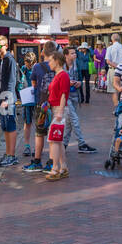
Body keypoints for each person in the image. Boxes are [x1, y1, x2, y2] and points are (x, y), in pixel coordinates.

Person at [24, 43, 58, 173]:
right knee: (52, 134)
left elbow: (34, 84)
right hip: (54, 104)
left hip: (41, 104)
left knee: (39, 134)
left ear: (43, 52)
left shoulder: (37, 67)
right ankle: (51, 162)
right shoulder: (57, 66)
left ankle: (37, 161)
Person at [0, 36, 20, 166]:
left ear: (6, 46)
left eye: (0, 46)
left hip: (7, 97)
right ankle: (8, 154)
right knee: (5, 127)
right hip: (0, 97)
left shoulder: (10, 60)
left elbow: (11, 81)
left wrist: (7, 99)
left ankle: (11, 155)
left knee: (10, 126)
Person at [63, 47, 98, 153]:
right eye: (72, 53)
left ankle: (63, 144)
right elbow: (58, 81)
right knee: (74, 120)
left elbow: (80, 78)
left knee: (69, 122)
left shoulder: (76, 64)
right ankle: (81, 144)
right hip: (65, 97)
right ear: (66, 55)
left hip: (75, 95)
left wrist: (79, 83)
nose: (75, 55)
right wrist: (67, 83)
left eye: (75, 53)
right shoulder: (61, 66)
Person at [44, 49, 71, 181]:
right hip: (55, 109)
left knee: (53, 139)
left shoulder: (63, 75)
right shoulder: (58, 75)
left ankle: (55, 168)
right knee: (57, 140)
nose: (48, 63)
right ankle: (63, 167)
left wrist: (60, 112)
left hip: (59, 110)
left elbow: (64, 94)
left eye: (50, 61)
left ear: (57, 61)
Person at [103, 33, 122, 105]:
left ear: (112, 40)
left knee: (114, 90)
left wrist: (117, 66)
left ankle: (117, 109)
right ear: (119, 39)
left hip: (113, 70)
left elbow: (108, 61)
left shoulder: (109, 48)